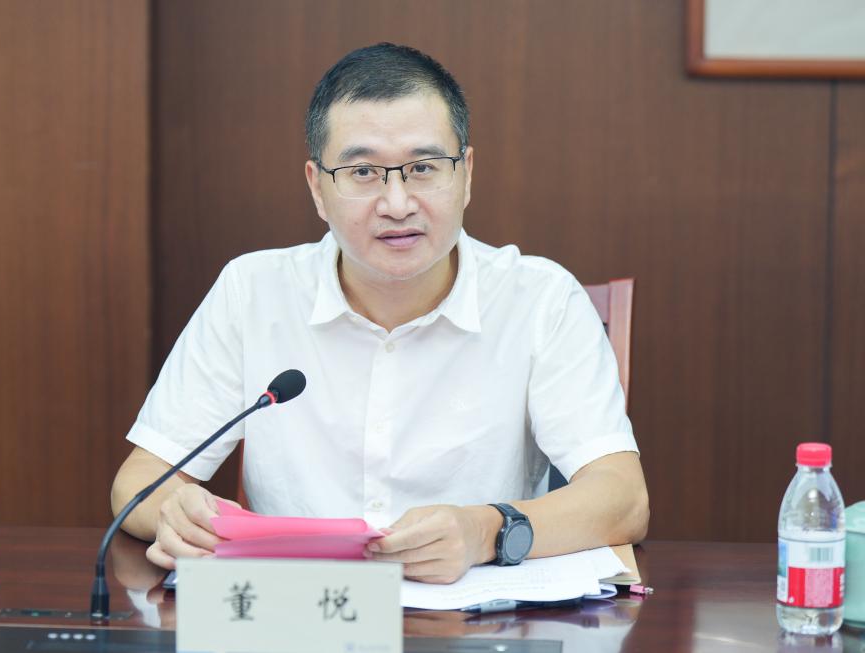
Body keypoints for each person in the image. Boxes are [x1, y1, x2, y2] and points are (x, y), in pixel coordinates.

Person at [111, 43, 649, 585]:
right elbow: (141, 480)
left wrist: (485, 531)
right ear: (317, 187)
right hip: (296, 613)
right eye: (363, 171)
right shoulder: (253, 291)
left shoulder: (540, 299)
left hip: (475, 619)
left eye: (423, 168)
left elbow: (624, 498)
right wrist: (175, 514)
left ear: (466, 175)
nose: (397, 204)